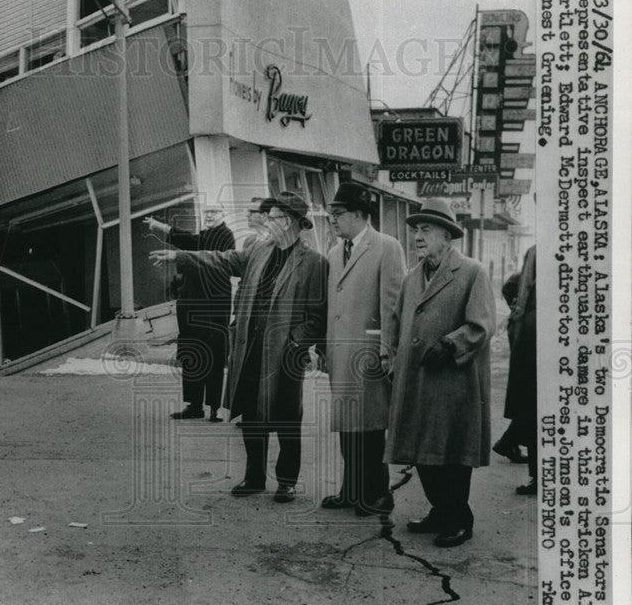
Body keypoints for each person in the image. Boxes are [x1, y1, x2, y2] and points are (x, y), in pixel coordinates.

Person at [150, 191, 327, 502]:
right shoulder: (260, 250)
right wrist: (181, 257)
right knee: (251, 415)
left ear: (288, 222)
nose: (265, 221)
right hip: (250, 348)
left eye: (271, 217)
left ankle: (286, 481)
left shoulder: (314, 263)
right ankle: (255, 477)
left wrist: (296, 341)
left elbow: (318, 315)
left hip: (285, 354)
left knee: (287, 418)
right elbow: (225, 259)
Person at [385, 198, 496, 548]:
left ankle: (459, 517)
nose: (418, 236)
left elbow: (483, 325)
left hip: (453, 382)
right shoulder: (411, 277)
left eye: (426, 229)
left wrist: (450, 345)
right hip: (415, 379)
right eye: (415, 230)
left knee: (451, 452)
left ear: (446, 236)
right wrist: (389, 356)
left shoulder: (471, 272)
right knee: (422, 451)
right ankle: (439, 510)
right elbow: (397, 322)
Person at [322, 182, 406, 521]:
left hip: (370, 354)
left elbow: (392, 304)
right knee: (347, 427)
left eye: (338, 214)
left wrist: (387, 351)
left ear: (359, 214)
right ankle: (351, 490)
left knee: (370, 428)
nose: (332, 220)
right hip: (340, 354)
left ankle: (378, 493)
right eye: (331, 214)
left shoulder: (386, 247)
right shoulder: (333, 252)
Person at [144, 205, 235, 422]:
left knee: (212, 354)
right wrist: (162, 227)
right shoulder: (207, 234)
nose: (209, 215)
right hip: (193, 303)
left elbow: (200, 250)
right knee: (193, 353)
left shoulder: (225, 236)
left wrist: (172, 244)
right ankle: (194, 405)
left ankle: (214, 407)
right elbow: (191, 241)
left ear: (223, 214)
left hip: (212, 306)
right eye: (207, 212)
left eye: (214, 212)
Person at [502, 245, 537, 495]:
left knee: (533, 405)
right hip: (535, 335)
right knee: (533, 406)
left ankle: (509, 443)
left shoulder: (536, 250)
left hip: (533, 333)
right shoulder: (537, 250)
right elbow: (521, 289)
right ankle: (539, 475)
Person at [492, 270, 528, 464]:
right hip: (524, 329)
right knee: (531, 397)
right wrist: (518, 305)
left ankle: (509, 442)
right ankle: (508, 442)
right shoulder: (535, 264)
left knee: (530, 397)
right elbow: (509, 285)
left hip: (522, 327)